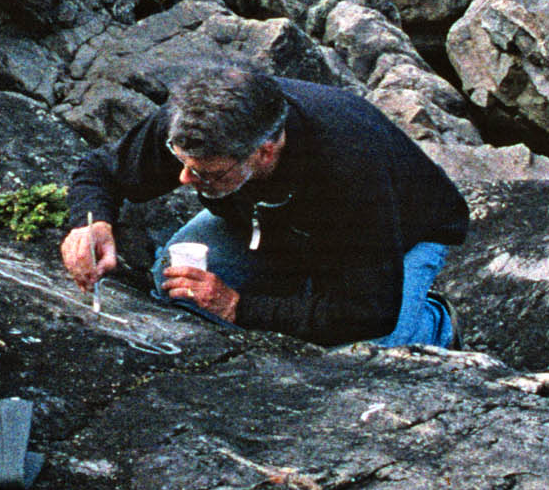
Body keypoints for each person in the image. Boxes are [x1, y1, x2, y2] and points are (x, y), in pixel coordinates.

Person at [59, 61, 467, 346]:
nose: (185, 179)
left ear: (265, 153)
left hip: (401, 236)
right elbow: (101, 170)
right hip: (270, 222)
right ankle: (297, 287)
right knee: (176, 285)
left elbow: (367, 311)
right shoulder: (196, 122)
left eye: (207, 175)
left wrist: (240, 307)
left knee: (366, 349)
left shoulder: (348, 166)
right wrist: (91, 224)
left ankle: (434, 323)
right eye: (183, 165)